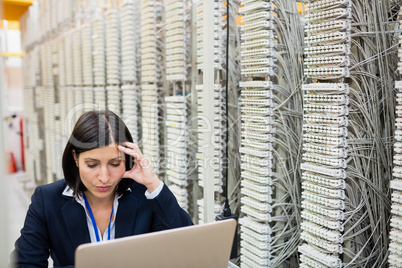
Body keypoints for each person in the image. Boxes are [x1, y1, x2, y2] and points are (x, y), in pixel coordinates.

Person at [12, 110, 193, 267]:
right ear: (75, 157)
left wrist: (153, 183)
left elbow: (188, 249)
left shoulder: (146, 196)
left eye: (115, 163)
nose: (104, 177)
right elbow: (25, 263)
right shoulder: (47, 200)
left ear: (128, 159)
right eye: (92, 165)